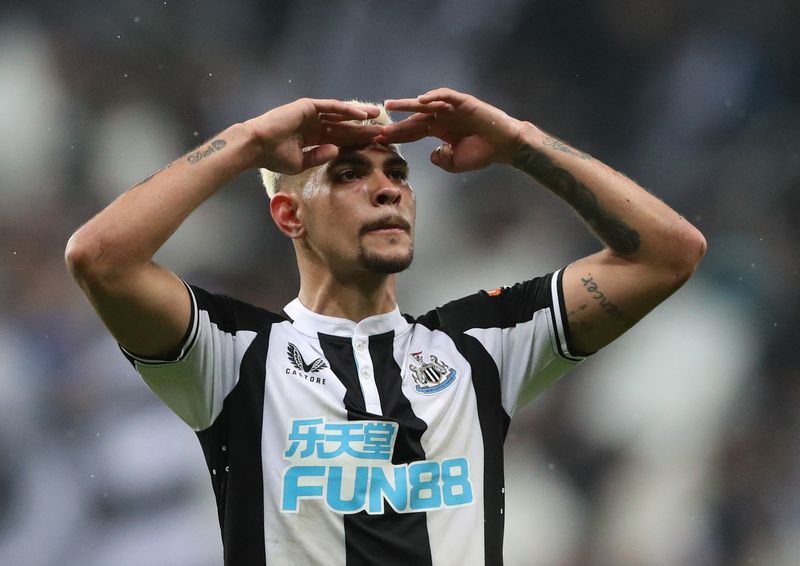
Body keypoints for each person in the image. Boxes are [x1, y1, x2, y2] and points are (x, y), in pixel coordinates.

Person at [65, 88, 706, 565]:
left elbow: (669, 251)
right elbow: (99, 259)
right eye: (349, 174)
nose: (387, 188)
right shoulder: (235, 357)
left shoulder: (482, 346)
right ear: (289, 215)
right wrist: (252, 141)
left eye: (397, 172)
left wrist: (518, 142)